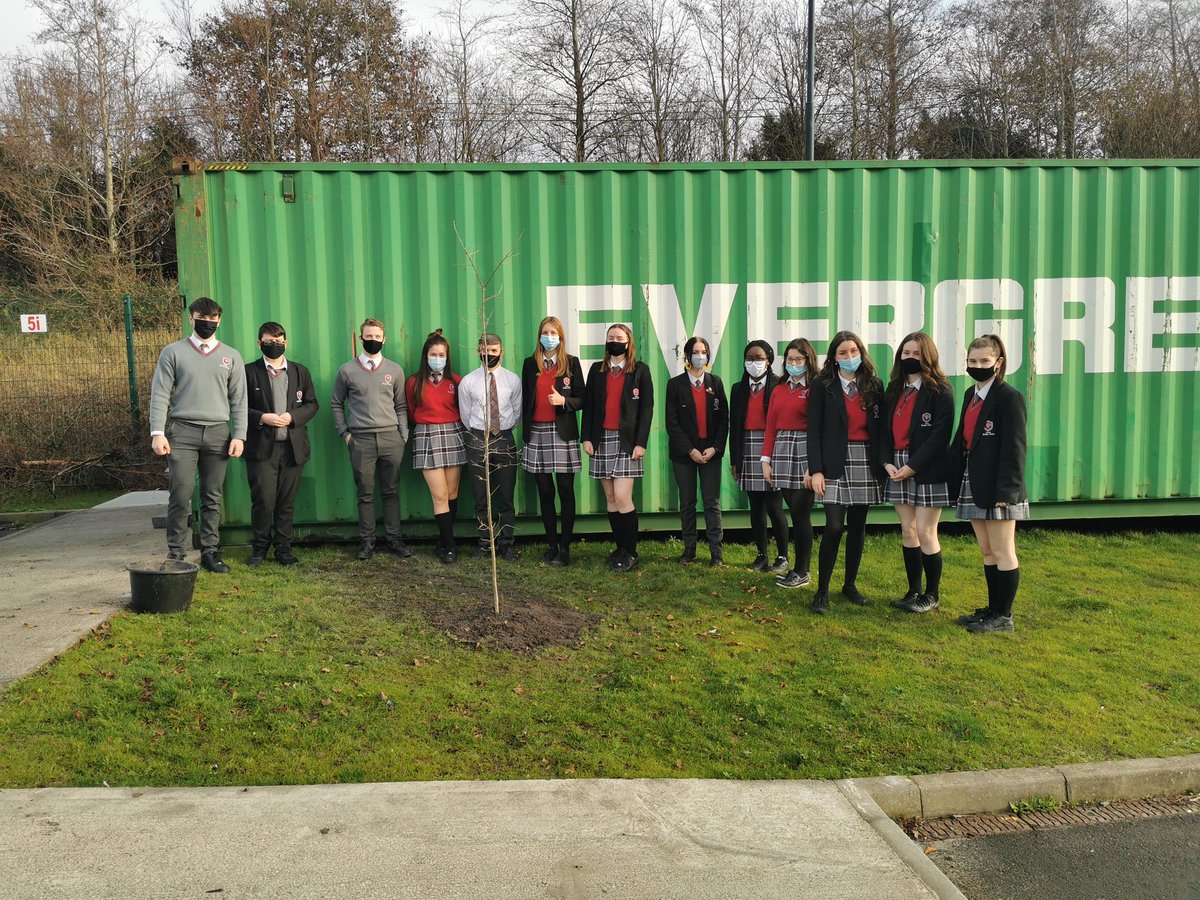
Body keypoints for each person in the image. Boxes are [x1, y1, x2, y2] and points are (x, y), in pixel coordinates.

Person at [148, 296, 247, 573]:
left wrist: (239, 435)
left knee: (212, 496)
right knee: (180, 494)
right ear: (191, 318)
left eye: (212, 320)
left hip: (218, 433)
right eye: (201, 319)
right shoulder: (173, 352)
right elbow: (160, 393)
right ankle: (176, 554)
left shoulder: (232, 356)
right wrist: (158, 432)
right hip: (182, 432)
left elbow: (239, 399)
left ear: (219, 320)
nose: (207, 324)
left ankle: (210, 552)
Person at [950, 333, 1029, 634]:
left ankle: (1004, 616)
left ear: (998, 363)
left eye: (984, 361)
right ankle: (992, 609)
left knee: (1003, 549)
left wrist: (1006, 492)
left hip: (999, 487)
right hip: (974, 481)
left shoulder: (1010, 398)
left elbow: (1015, 448)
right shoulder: (971, 396)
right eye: (972, 361)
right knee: (986, 550)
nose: (978, 365)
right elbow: (963, 440)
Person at [807, 330, 885, 614]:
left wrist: (884, 463)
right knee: (834, 527)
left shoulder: (874, 385)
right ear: (834, 358)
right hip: (833, 463)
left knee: (858, 527)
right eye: (843, 353)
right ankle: (822, 591)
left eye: (854, 351)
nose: (850, 357)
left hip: (865, 460)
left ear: (861, 353)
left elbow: (882, 429)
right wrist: (815, 470)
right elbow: (813, 430)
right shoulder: (822, 385)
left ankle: (849, 585)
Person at [879, 332, 954, 613]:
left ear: (928, 356)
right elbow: (883, 433)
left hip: (925, 468)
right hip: (896, 466)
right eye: (906, 353)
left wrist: (912, 467)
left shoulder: (940, 390)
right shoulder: (894, 389)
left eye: (917, 354)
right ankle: (913, 591)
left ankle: (932, 595)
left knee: (925, 531)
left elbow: (939, 436)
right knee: (908, 531)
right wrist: (887, 463)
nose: (911, 358)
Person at [330, 317, 411, 561]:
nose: (373, 340)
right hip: (361, 440)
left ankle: (394, 539)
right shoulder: (347, 370)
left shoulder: (394, 370)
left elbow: (401, 405)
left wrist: (403, 434)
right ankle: (367, 541)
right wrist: (345, 433)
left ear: (384, 339)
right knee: (365, 492)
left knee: (391, 491)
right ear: (361, 338)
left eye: (377, 337)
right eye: (369, 336)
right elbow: (336, 403)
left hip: (391, 438)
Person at [243, 321, 319, 567]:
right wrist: (261, 417)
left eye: (278, 341)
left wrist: (293, 417)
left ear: (285, 343)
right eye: (268, 341)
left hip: (292, 449)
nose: (274, 345)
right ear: (259, 343)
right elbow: (238, 406)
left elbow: (312, 404)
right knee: (264, 500)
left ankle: (284, 549)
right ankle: (259, 549)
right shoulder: (248, 372)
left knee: (286, 501)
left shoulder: (300, 372)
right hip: (261, 450)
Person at [581, 323, 654, 572]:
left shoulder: (640, 371)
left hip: (627, 442)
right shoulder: (596, 370)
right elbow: (589, 406)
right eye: (611, 337)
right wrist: (587, 438)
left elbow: (646, 410)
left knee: (623, 497)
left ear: (628, 342)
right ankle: (620, 548)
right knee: (611, 499)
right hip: (601, 439)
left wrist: (641, 443)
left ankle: (631, 551)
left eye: (619, 338)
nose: (615, 341)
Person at [520, 316, 586, 566]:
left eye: (553, 332)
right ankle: (551, 545)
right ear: (539, 336)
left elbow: (582, 398)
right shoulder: (529, 365)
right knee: (545, 492)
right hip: (537, 433)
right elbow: (525, 400)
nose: (548, 336)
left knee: (566, 491)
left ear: (560, 337)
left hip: (562, 434)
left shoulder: (571, 364)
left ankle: (566, 548)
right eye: (545, 332)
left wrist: (564, 402)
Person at [458, 332, 523, 560]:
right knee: (481, 495)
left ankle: (507, 543)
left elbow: (516, 412)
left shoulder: (512, 380)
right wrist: (481, 432)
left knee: (505, 495)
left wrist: (502, 431)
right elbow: (466, 415)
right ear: (479, 352)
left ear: (501, 352)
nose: (489, 355)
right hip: (478, 439)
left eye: (494, 351)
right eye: (485, 351)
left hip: (504, 439)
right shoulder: (468, 382)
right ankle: (486, 543)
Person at [665, 336, 728, 566]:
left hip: (711, 452)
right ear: (687, 356)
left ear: (708, 356)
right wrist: (690, 450)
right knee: (688, 502)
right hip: (685, 454)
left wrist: (715, 448)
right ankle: (689, 550)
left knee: (712, 502)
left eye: (703, 351)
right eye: (695, 351)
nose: (699, 355)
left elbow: (724, 421)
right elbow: (672, 423)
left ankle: (716, 554)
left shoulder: (716, 383)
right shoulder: (675, 385)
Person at [761, 337, 819, 589]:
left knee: (800, 512)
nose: (794, 363)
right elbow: (771, 426)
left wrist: (815, 466)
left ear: (808, 360)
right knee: (792, 510)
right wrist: (766, 460)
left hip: (806, 451)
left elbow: (820, 427)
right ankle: (797, 569)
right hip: (782, 450)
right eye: (790, 359)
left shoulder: (817, 388)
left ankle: (802, 570)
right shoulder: (779, 389)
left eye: (799, 359)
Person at [729, 340, 789, 575]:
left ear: (769, 360)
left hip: (770, 447)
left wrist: (775, 457)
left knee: (774, 505)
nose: (753, 363)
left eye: (759, 358)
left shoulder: (778, 386)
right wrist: (736, 458)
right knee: (755, 506)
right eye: (749, 358)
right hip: (747, 447)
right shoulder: (737, 389)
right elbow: (735, 426)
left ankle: (782, 556)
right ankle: (762, 554)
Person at [406, 329, 466, 564]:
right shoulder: (414, 382)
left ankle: (443, 540)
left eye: (442, 354)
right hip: (427, 436)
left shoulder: (456, 381)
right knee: (439, 495)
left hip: (453, 434)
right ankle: (450, 548)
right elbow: (411, 411)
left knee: (452, 493)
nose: (438, 358)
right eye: (434, 353)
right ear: (426, 356)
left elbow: (464, 410)